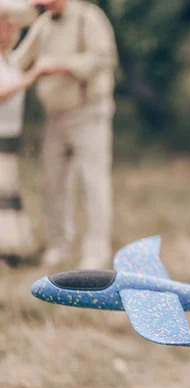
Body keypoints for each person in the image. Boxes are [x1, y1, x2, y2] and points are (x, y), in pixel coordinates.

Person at [10, 0, 118, 270]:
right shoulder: (44, 24)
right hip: (55, 116)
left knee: (94, 183)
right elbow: (18, 61)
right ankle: (58, 245)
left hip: (88, 113)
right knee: (52, 183)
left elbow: (104, 58)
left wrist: (61, 65)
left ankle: (96, 252)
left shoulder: (88, 17)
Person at [0, 0, 65, 267]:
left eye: (15, 28)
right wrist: (31, 77)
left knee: (7, 190)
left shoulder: (9, 59)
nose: (13, 32)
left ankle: (8, 248)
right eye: (8, 27)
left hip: (10, 133)